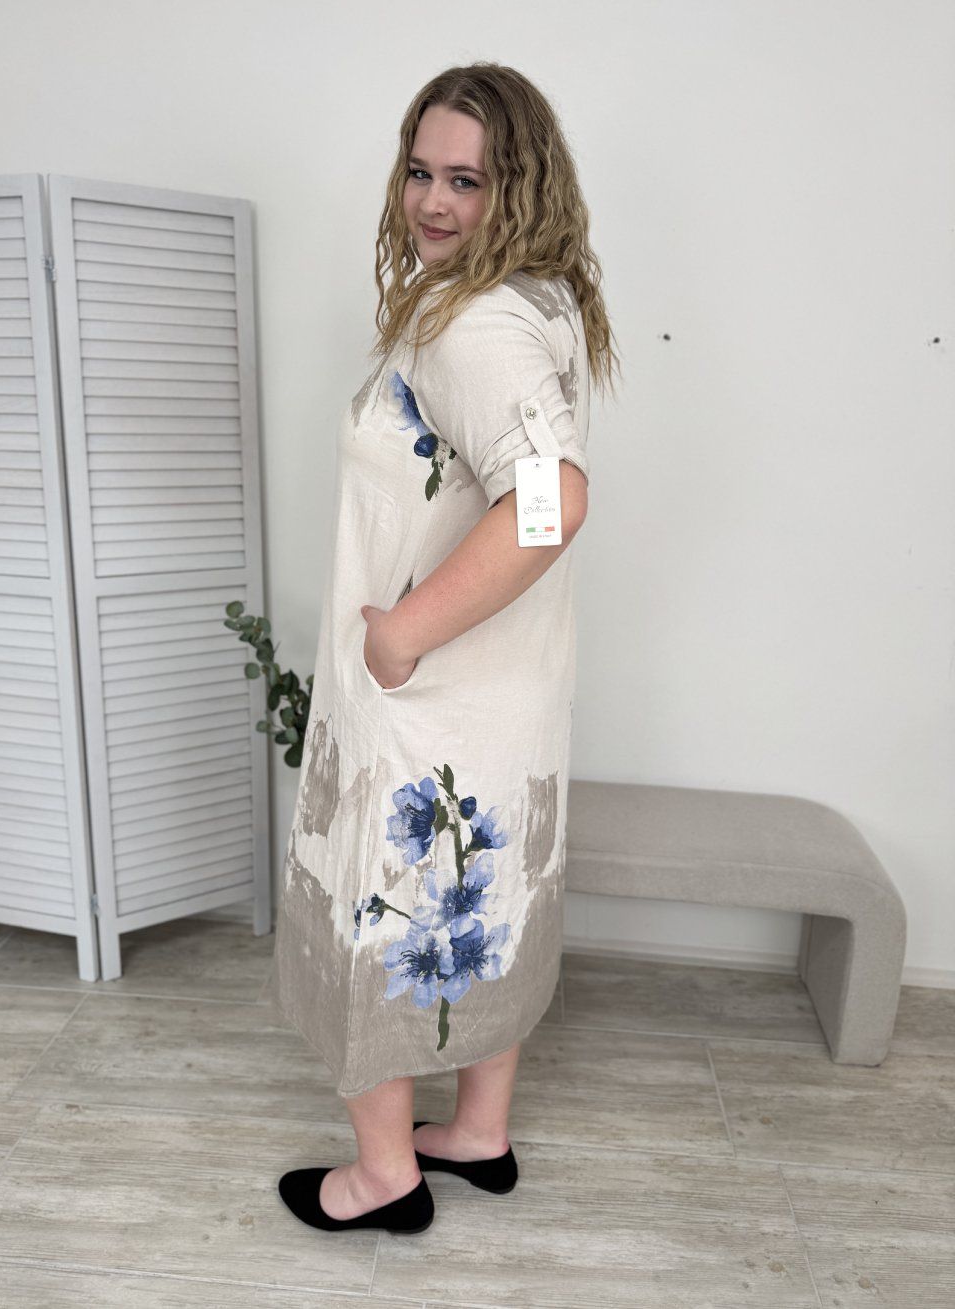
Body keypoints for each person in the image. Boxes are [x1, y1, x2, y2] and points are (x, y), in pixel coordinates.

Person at [274, 62, 620, 1234]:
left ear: (518, 185)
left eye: (466, 180)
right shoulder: (532, 299)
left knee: (388, 910)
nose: (431, 201)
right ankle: (478, 1132)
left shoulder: (470, 322)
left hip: (427, 703)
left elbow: (552, 502)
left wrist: (399, 637)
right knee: (481, 902)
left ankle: (383, 1175)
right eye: (420, 172)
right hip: (499, 699)